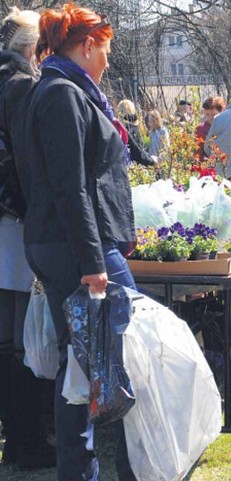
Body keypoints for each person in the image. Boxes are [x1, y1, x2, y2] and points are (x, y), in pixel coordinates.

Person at [13, 4, 138, 479]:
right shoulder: (62, 94)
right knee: (113, 356)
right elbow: (71, 187)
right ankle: (118, 468)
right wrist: (92, 263)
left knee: (83, 367)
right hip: (78, 249)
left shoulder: (62, 90)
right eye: (104, 49)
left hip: (71, 244)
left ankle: (86, 470)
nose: (107, 60)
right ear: (87, 46)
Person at [0, 7, 56, 470]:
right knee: (22, 340)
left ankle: (22, 438)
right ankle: (27, 441)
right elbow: (22, 161)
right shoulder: (20, 85)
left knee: (12, 338)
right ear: (34, 49)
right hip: (14, 223)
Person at [115, 99, 157, 166]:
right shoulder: (134, 129)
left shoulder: (117, 129)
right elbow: (138, 151)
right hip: (135, 164)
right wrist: (150, 160)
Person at [195, 95, 226, 160]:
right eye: (207, 115)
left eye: (213, 115)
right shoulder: (201, 129)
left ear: (222, 112)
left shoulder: (227, 127)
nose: (210, 118)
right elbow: (198, 154)